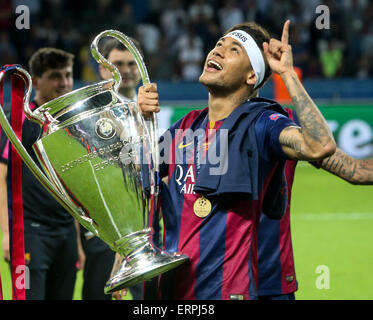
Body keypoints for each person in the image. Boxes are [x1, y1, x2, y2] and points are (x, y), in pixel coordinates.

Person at [128, 20, 337, 300]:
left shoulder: (262, 124)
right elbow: (132, 177)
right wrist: (137, 118)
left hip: (229, 292)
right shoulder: (184, 128)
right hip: (174, 291)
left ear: (251, 76)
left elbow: (319, 145)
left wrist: (287, 75)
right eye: (218, 45)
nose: (217, 51)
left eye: (234, 50)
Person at [0, 47, 84, 300]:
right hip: (30, 234)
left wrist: (75, 241)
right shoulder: (20, 121)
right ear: (37, 80)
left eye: (67, 75)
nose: (64, 82)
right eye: (56, 76)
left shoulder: (68, 124)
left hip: (64, 234)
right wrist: (8, 235)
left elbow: (69, 185)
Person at [257, 108, 373, 300]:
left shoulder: (282, 124)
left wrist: (288, 77)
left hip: (270, 278)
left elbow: (355, 170)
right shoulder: (198, 126)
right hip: (218, 276)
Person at [80, 37, 144, 300]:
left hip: (147, 229)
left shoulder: (149, 110)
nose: (125, 70)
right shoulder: (86, 116)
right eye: (117, 64)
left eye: (131, 64)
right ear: (102, 68)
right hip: (105, 232)